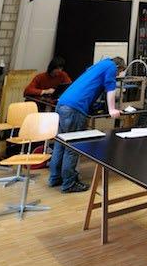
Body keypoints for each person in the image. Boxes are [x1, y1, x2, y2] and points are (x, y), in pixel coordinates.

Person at [48, 56, 126, 193]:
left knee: (60, 144)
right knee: (73, 147)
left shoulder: (98, 65)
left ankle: (55, 178)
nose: (117, 75)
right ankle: (69, 183)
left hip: (63, 104)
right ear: (118, 67)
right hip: (75, 108)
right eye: (119, 73)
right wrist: (112, 109)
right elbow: (110, 88)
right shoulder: (111, 67)